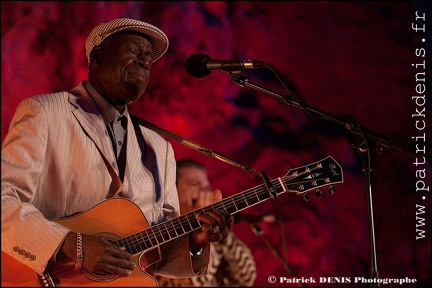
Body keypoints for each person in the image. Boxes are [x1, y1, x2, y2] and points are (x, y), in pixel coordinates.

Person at [1, 18, 233, 287]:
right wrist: (70, 244)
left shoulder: (161, 149)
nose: (145, 63)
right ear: (97, 57)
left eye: (148, 60)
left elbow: (159, 254)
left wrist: (195, 241)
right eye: (135, 52)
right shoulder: (45, 112)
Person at [156, 159, 257, 287]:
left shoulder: (219, 232)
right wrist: (203, 234)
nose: (204, 192)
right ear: (172, 191)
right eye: (194, 184)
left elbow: (247, 277)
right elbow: (195, 282)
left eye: (207, 187)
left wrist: (219, 229)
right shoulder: (160, 234)